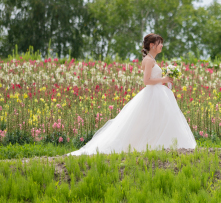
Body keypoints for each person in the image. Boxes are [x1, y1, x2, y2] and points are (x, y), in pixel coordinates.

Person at [69, 33, 197, 156]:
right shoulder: (148, 60)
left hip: (158, 93)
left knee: (159, 119)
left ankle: (159, 144)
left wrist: (165, 78)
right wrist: (163, 80)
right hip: (152, 93)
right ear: (152, 45)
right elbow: (146, 81)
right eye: (160, 43)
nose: (162, 45)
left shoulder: (151, 59)